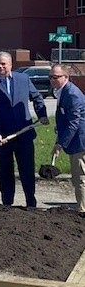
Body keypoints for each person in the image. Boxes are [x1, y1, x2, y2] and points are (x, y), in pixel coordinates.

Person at [0, 51, 49, 207]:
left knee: (26, 170)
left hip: (24, 134)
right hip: (3, 138)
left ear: (11, 65)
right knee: (5, 172)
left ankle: (31, 202)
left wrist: (42, 114)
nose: (0, 66)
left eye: (3, 63)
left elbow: (37, 97)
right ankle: (7, 204)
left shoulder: (23, 79)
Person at [50, 64, 85, 216]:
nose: (52, 80)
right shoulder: (62, 91)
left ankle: (82, 211)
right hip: (74, 140)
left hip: (80, 141)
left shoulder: (72, 94)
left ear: (66, 77)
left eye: (56, 77)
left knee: (80, 178)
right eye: (50, 77)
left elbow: (73, 123)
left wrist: (60, 144)